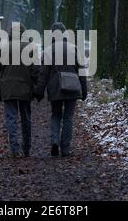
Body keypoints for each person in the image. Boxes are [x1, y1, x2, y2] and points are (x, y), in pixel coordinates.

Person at [34, 22, 88, 157]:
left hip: (55, 87)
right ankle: (65, 149)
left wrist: (39, 92)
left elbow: (43, 74)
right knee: (69, 117)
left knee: (56, 115)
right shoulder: (74, 49)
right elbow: (82, 71)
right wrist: (84, 89)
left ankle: (54, 141)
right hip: (72, 86)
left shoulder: (48, 50)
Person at [0, 23, 39, 158]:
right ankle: (27, 148)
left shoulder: (3, 48)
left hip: (8, 89)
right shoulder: (30, 48)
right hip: (25, 88)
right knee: (26, 118)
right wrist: (35, 88)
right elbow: (36, 71)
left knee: (11, 119)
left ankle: (15, 149)